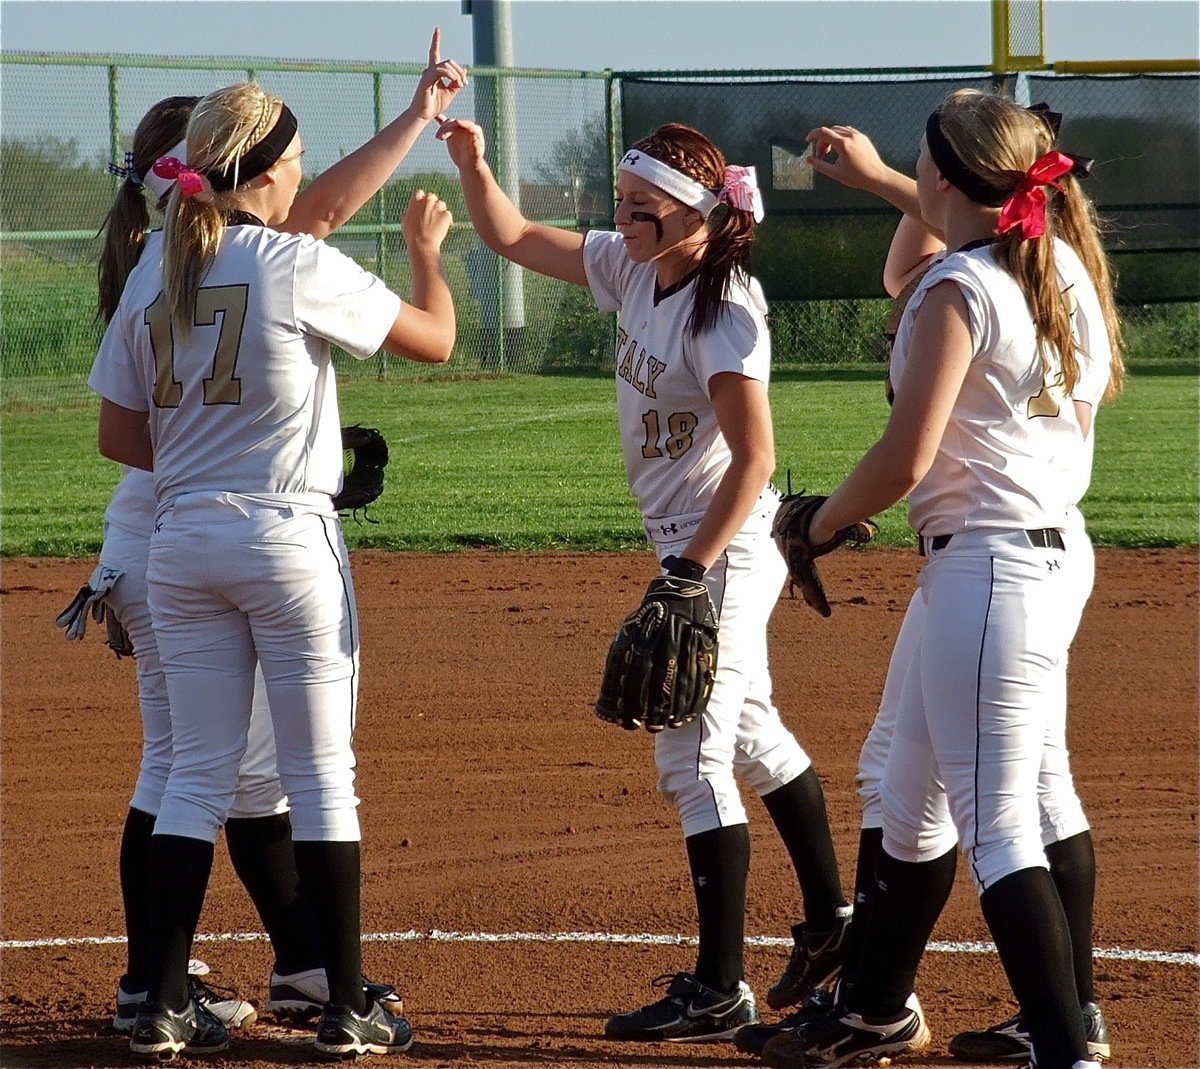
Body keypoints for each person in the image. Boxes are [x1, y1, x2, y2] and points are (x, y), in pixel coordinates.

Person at [437, 115, 852, 1042]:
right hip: (693, 547)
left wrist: (689, 574)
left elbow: (756, 458)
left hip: (722, 547)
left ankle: (719, 987)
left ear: (697, 212)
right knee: (749, 731)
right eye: (621, 202)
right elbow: (511, 234)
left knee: (690, 755)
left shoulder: (723, 308)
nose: (623, 218)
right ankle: (832, 922)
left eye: (642, 206)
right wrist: (472, 163)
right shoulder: (634, 268)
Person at [82, 35, 465, 1039]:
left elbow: (121, 432)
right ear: (264, 173)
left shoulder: (154, 270)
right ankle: (343, 1003)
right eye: (296, 159)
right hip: (286, 536)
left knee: (192, 773)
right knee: (319, 774)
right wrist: (428, 259)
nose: (303, 174)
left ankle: (162, 1004)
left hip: (178, 540)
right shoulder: (295, 263)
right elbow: (436, 339)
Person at [739, 106, 1122, 1066]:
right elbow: (941, 243)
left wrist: (817, 523)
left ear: (945, 177)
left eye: (921, 158)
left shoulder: (961, 286)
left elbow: (904, 457)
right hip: (1038, 552)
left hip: (989, 568)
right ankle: (875, 1006)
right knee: (908, 778)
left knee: (998, 822)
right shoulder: (1058, 265)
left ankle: (1067, 1048)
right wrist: (881, 179)